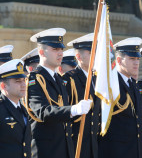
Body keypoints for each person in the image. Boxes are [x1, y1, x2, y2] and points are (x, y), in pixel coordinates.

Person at [25, 28, 92, 158]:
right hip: (46, 150)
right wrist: (73, 110)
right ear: (41, 52)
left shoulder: (59, 79)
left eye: (61, 49)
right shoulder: (35, 79)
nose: (60, 53)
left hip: (64, 149)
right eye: (55, 49)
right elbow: (42, 111)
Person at [99, 37, 142, 158]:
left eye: (137, 59)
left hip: (134, 150)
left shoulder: (133, 85)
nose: (136, 63)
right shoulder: (111, 84)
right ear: (118, 60)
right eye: (131, 59)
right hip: (115, 151)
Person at [0, 59, 32, 158]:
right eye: (18, 81)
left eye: (24, 80)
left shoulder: (22, 109)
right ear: (3, 86)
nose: (23, 85)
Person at [62, 33, 99, 158]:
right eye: (91, 53)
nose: (96, 56)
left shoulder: (97, 78)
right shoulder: (69, 79)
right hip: (78, 142)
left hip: (96, 143)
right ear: (78, 56)